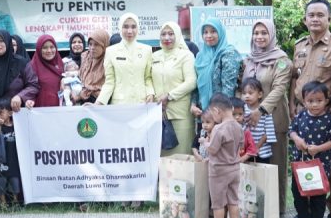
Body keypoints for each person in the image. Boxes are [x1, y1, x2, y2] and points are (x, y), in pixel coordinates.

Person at [288, 0, 331, 218]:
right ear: (305, 19)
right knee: (304, 163)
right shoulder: (300, 45)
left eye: (320, 15)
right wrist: (293, 102)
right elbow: (295, 77)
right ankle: (306, 213)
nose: (315, 19)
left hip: (329, 112)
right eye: (311, 15)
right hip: (303, 113)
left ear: (329, 18)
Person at [242, 19, 292, 215]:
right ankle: (256, 206)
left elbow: (280, 88)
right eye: (256, 33)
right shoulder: (249, 60)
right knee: (253, 164)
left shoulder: (282, 61)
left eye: (264, 33)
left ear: (271, 35)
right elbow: (244, 88)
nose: (260, 37)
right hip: (249, 123)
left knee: (275, 165)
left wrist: (260, 111)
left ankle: (276, 209)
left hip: (274, 119)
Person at [286, 81, 331, 218]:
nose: (315, 104)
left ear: (326, 101)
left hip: (319, 166)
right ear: (304, 102)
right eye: (310, 101)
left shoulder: (330, 120)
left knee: (317, 194)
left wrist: (318, 148)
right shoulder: (301, 115)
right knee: (298, 191)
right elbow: (292, 131)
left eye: (319, 101)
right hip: (300, 164)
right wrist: (296, 139)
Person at [200, 93, 243, 218]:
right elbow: (240, 145)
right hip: (235, 168)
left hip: (218, 170)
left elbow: (212, 149)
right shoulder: (239, 126)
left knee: (218, 202)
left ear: (217, 111)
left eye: (212, 113)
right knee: (233, 200)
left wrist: (204, 143)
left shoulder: (218, 129)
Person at [151, 21, 196, 156]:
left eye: (171, 34)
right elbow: (148, 79)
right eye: (163, 34)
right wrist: (152, 96)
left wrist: (169, 95)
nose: (167, 38)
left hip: (180, 114)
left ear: (177, 35)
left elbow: (191, 82)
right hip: (158, 113)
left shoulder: (186, 55)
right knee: (162, 159)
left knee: (181, 158)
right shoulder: (154, 56)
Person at [96, 13, 154, 106]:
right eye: (125, 27)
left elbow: (147, 78)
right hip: (120, 105)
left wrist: (150, 93)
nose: (130, 31)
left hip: (142, 103)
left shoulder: (147, 50)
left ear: (138, 28)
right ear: (120, 28)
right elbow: (109, 82)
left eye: (133, 27)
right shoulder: (111, 51)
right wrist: (99, 102)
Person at [0, 30, 39, 113]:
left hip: (15, 115)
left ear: (8, 42)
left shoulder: (21, 63)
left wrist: (20, 96)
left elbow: (33, 85)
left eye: (1, 41)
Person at [191, 18, 240, 118]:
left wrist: (218, 113)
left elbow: (228, 88)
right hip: (202, 113)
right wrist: (193, 105)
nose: (209, 35)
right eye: (205, 32)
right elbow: (196, 84)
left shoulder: (229, 54)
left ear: (220, 32)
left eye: (213, 31)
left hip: (220, 113)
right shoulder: (200, 56)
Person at [240, 77, 276, 163]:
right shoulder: (241, 110)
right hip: (245, 151)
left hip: (261, 151)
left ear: (260, 94)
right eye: (244, 93)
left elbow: (269, 132)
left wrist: (256, 147)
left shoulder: (265, 111)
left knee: (262, 174)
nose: (247, 96)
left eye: (250, 93)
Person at [26, 34, 64, 108]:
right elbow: (29, 88)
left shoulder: (61, 64)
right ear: (39, 49)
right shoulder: (32, 67)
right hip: (40, 110)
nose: (49, 51)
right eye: (45, 48)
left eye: (52, 47)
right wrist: (29, 100)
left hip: (60, 111)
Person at [75, 29, 109, 104]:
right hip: (83, 102)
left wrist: (93, 92)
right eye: (90, 44)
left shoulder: (109, 60)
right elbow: (80, 79)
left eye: (96, 44)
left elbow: (110, 86)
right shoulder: (85, 57)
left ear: (104, 45)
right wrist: (81, 93)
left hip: (101, 103)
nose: (92, 48)